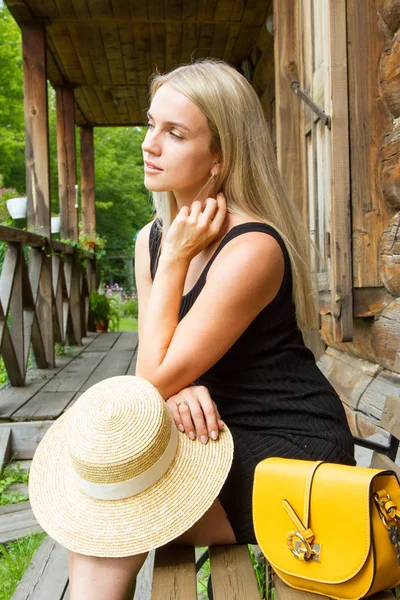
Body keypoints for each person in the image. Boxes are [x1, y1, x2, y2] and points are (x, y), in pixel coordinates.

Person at [67, 58, 355, 599]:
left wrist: (174, 260)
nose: (150, 144)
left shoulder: (252, 248)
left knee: (106, 516)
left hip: (285, 449)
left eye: (174, 133)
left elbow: (150, 374)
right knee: (100, 510)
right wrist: (175, 387)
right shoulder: (148, 240)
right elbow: (153, 376)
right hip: (206, 433)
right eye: (151, 125)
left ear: (219, 156)